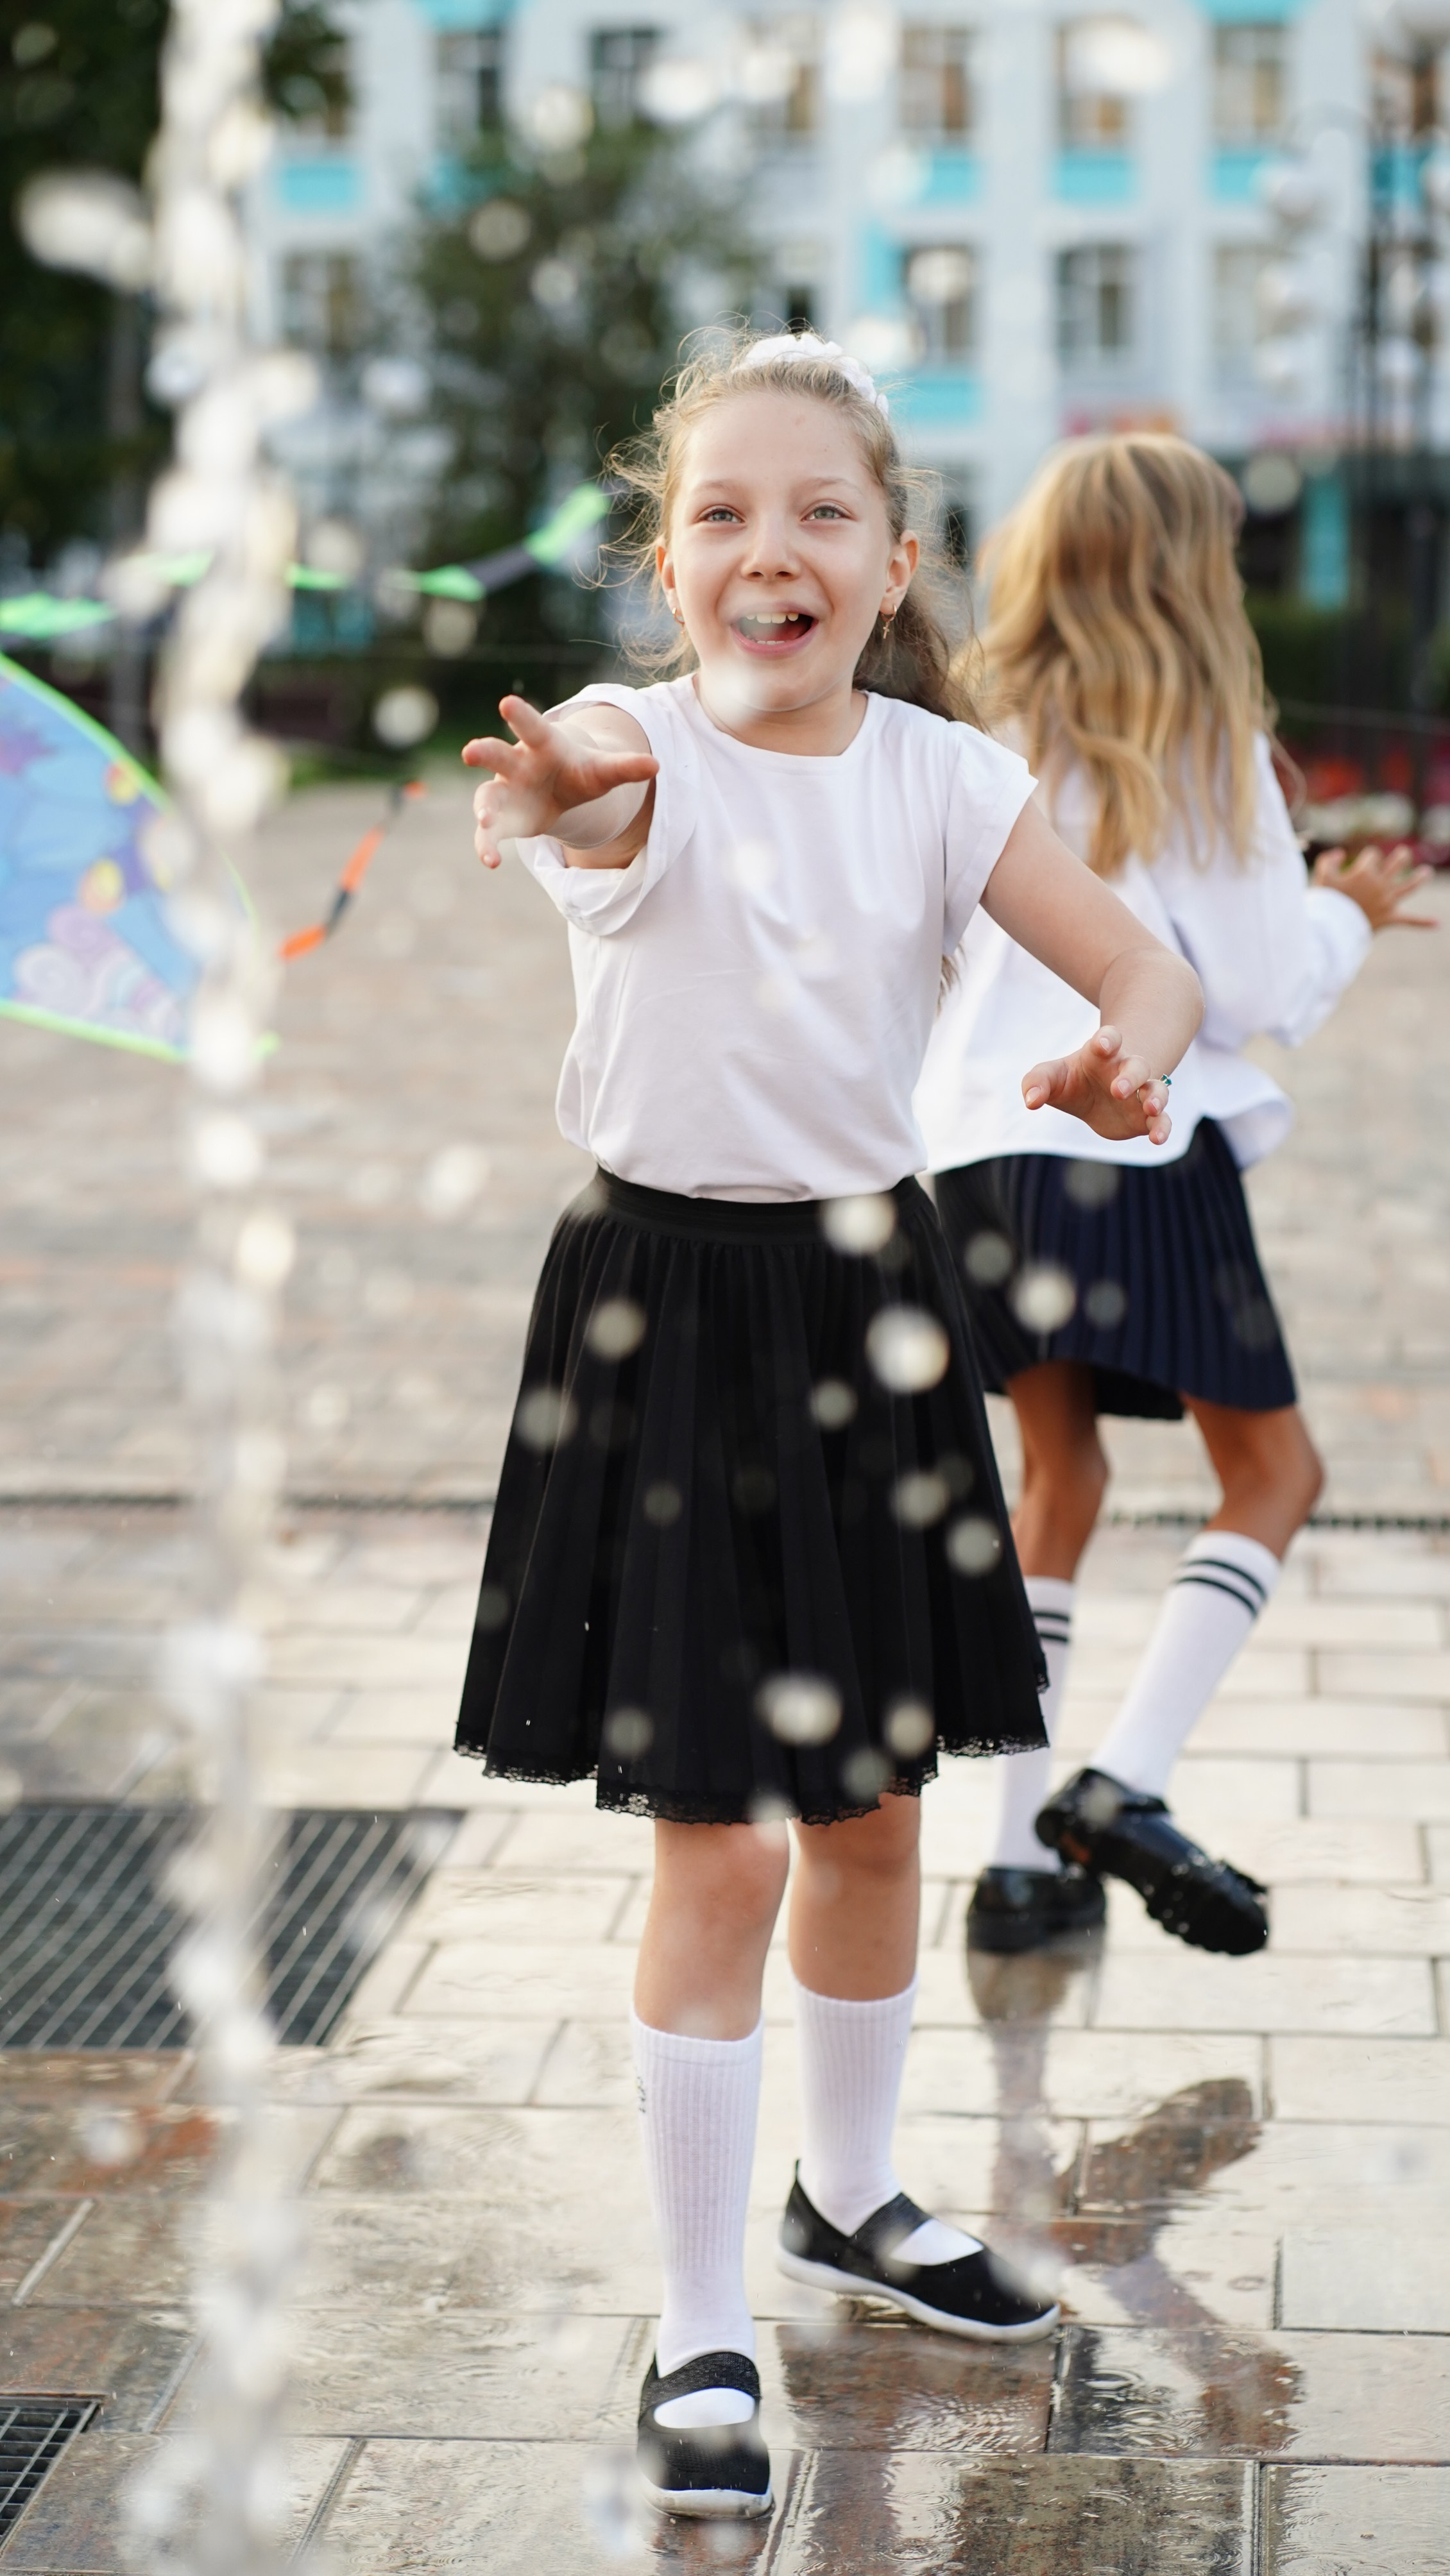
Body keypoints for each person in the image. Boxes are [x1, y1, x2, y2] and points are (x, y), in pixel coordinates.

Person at [452, 337, 1202, 2521]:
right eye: (718, 514)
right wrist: (551, 797)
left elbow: (1139, 965)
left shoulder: (948, 784)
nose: (765, 546)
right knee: (722, 1828)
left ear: (892, 564)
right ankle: (701, 2317)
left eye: (817, 513)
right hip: (664, 1303)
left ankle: (851, 2197)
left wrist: (1123, 1052)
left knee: (873, 1809)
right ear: (669, 561)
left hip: (873, 1299)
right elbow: (589, 797)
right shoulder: (628, 742)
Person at [916, 432, 1435, 1963]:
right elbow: (1251, 987)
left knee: (1053, 1483)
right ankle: (1119, 1786)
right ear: (1189, 572)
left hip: (982, 1154)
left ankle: (1015, 1870)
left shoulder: (976, 733)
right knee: (1273, 1474)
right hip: (1136, 1135)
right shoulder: (1205, 740)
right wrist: (1339, 913)